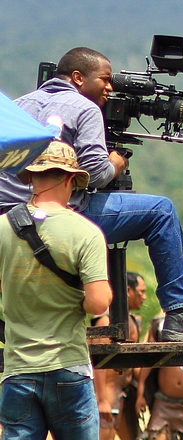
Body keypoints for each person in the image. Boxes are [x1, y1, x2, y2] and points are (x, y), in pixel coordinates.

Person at [0, 46, 183, 342]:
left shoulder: (18, 105)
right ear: (78, 78)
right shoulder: (85, 107)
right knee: (161, 211)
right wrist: (117, 163)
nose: (110, 87)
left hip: (9, 215)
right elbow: (95, 173)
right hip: (58, 215)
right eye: (105, 80)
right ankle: (180, 314)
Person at [0, 140, 113, 438]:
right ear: (68, 179)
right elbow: (98, 304)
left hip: (18, 370)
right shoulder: (86, 232)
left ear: (32, 178)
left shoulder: (2, 227)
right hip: (68, 366)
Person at [93, 271, 146, 440]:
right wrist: (102, 400)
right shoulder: (107, 321)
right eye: (141, 292)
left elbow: (135, 364)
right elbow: (97, 362)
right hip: (107, 397)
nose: (144, 297)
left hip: (123, 396)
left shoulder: (132, 321)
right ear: (128, 290)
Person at [136, 313, 183, 440]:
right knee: (156, 435)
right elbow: (148, 360)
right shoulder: (158, 324)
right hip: (163, 400)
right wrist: (141, 393)